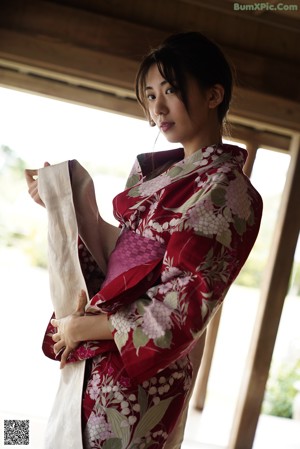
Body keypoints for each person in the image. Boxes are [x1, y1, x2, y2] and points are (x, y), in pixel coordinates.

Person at [25, 31, 263, 449]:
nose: (158, 107)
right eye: (150, 95)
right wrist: (61, 206)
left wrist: (86, 328)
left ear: (213, 95)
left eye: (170, 91)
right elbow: (123, 257)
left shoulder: (230, 192)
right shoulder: (157, 177)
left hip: (138, 377)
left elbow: (183, 308)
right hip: (100, 352)